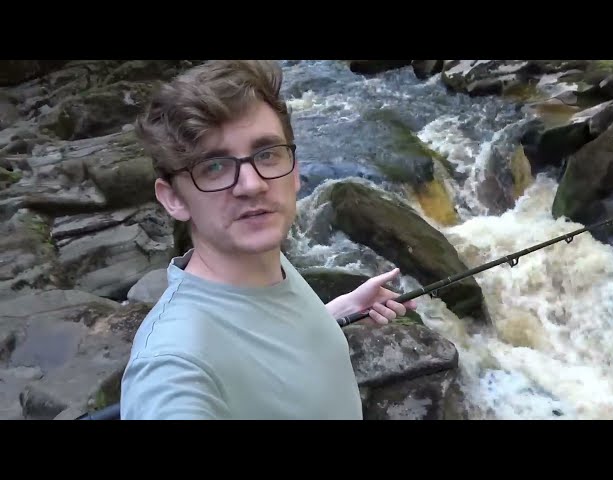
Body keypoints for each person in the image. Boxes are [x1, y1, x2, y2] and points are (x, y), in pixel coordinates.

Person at [119, 60, 417, 420]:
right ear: (173, 199)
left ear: (295, 171)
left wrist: (338, 311)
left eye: (267, 153)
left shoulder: (263, 262)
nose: (252, 184)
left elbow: (258, 338)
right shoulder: (171, 363)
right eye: (214, 166)